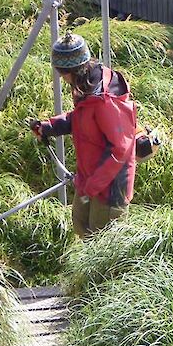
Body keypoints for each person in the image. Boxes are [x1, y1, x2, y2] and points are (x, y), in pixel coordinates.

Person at [30, 32, 136, 237]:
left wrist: (92, 186)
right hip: (89, 180)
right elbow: (82, 119)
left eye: (62, 73)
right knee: (81, 226)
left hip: (110, 188)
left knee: (100, 246)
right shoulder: (84, 88)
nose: (61, 78)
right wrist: (50, 127)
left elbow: (120, 149)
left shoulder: (105, 100)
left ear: (72, 71)